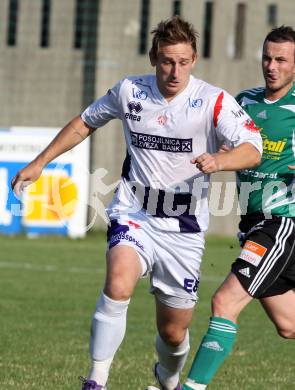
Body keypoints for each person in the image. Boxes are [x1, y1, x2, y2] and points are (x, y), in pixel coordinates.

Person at [11, 16, 262, 390]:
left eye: (182, 62)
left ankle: (168, 377)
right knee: (118, 280)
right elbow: (85, 122)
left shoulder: (214, 101)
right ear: (153, 58)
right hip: (134, 212)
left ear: (193, 60)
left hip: (184, 227)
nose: (174, 71)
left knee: (174, 332)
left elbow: (252, 149)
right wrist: (39, 162)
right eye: (166, 61)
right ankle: (96, 380)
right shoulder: (130, 91)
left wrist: (220, 161)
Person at [183, 25, 295, 390]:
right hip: (253, 223)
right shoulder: (244, 101)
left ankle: (190, 388)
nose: (272, 66)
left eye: (281, 59)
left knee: (224, 302)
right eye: (267, 57)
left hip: (282, 224)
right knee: (288, 325)